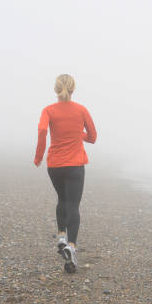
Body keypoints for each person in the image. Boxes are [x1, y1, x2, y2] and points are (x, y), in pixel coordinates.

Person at [34, 74, 97, 273]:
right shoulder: (81, 110)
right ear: (73, 89)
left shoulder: (48, 110)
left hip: (55, 164)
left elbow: (43, 131)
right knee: (73, 205)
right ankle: (71, 246)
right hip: (75, 164)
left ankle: (61, 235)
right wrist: (78, 134)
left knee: (62, 199)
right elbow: (93, 137)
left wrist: (38, 157)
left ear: (56, 89)